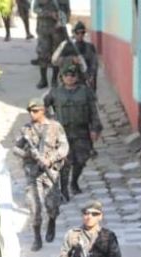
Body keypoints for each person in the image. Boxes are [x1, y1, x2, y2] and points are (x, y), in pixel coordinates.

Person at [15, 98, 70, 251]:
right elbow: (15, 149)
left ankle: (52, 221)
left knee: (52, 205)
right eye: (30, 111)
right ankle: (37, 237)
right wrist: (27, 154)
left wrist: (50, 159)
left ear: (43, 110)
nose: (32, 114)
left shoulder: (55, 127)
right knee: (34, 207)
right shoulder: (26, 130)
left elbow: (64, 147)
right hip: (33, 174)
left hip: (50, 172)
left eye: (35, 111)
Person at [43, 62, 102, 201]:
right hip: (61, 132)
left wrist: (95, 128)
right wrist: (48, 122)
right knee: (64, 161)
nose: (69, 78)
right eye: (66, 75)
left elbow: (93, 111)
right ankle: (64, 189)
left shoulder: (85, 92)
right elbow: (43, 107)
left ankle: (74, 181)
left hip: (81, 131)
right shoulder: (55, 92)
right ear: (61, 77)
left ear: (77, 77)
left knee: (81, 159)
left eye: (72, 75)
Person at [32, 0, 71, 88]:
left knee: (56, 55)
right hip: (44, 30)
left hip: (58, 31)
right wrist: (49, 14)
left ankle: (54, 80)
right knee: (43, 54)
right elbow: (35, 9)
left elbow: (67, 12)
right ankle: (43, 80)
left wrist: (62, 22)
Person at [52, 22, 99, 90]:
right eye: (77, 32)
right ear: (73, 33)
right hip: (68, 80)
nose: (80, 35)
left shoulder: (90, 47)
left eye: (82, 32)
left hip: (84, 81)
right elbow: (55, 61)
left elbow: (94, 63)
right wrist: (71, 59)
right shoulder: (66, 45)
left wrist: (91, 76)